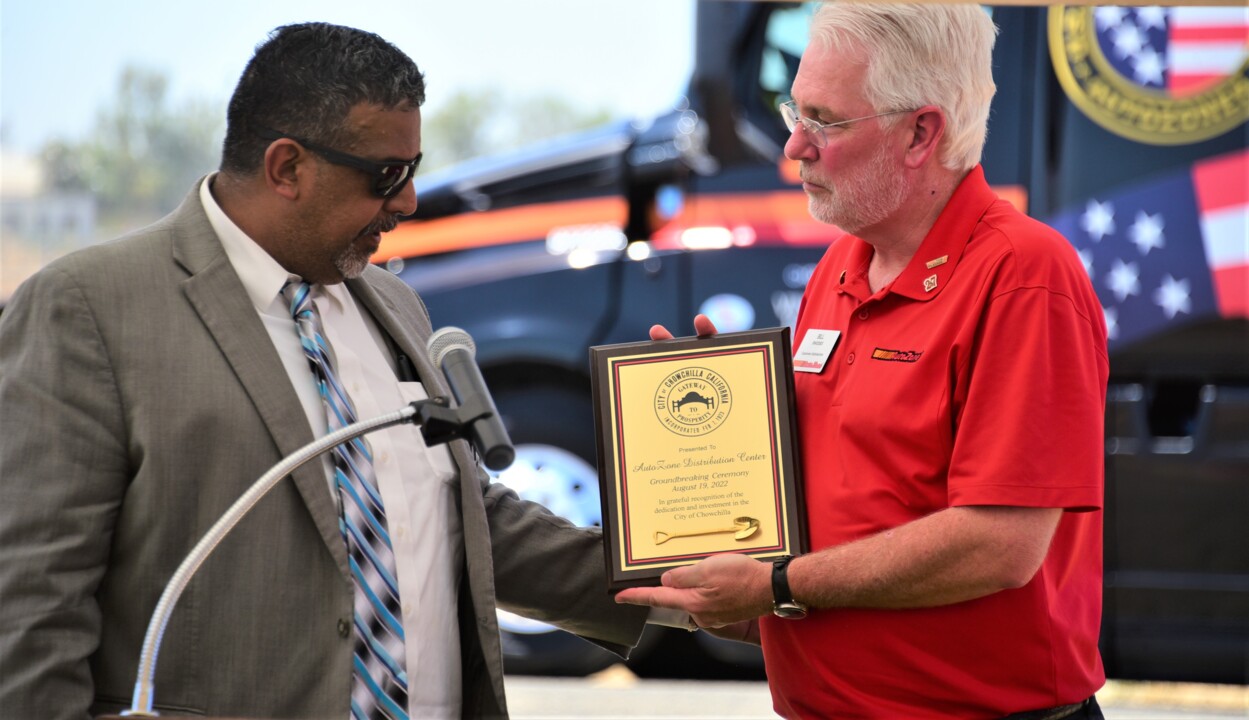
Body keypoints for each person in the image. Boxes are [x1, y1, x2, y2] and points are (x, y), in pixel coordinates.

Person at [0, 23, 649, 719]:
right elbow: (31, 599)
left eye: (412, 169)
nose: (407, 203)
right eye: (386, 176)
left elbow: (457, 520)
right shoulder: (88, 307)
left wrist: (703, 589)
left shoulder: (393, 302)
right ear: (286, 167)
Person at [616, 3, 1109, 719]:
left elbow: (998, 543)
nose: (793, 145)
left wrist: (779, 585)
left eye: (824, 120)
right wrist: (707, 436)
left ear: (920, 132)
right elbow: (848, 505)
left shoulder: (1024, 275)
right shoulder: (843, 263)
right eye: (795, 109)